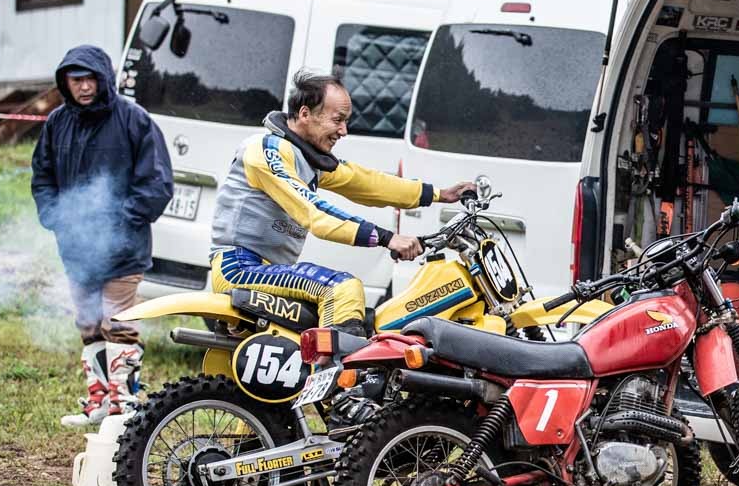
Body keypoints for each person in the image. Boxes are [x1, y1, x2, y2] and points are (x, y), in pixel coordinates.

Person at [209, 71, 475, 334]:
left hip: (269, 270)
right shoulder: (267, 150)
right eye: (338, 120)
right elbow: (316, 213)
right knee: (342, 289)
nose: (344, 131)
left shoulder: (307, 158)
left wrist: (440, 194)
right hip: (242, 268)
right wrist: (387, 238)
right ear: (305, 114)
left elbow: (368, 183)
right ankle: (333, 376)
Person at [31, 46, 174, 427]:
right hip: (76, 250)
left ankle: (124, 403)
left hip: (124, 249)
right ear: (65, 83)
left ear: (103, 78)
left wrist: (119, 223)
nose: (83, 86)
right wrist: (56, 218)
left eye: (89, 78)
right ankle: (99, 402)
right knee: (88, 323)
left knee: (118, 322)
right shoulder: (57, 122)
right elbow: (42, 177)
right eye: (75, 80)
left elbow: (157, 184)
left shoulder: (133, 119)